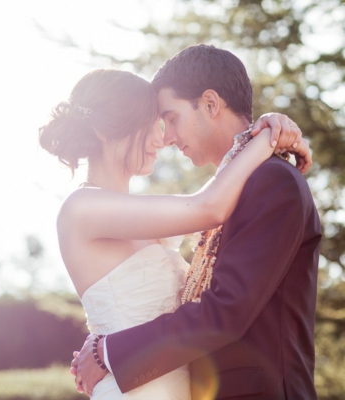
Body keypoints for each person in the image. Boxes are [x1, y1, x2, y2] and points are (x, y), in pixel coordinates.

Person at [40, 67, 312, 397]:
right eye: (149, 126)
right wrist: (265, 137)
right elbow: (209, 206)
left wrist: (270, 126)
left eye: (165, 121)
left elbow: (218, 198)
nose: (162, 138)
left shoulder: (137, 213)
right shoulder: (82, 208)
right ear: (103, 130)